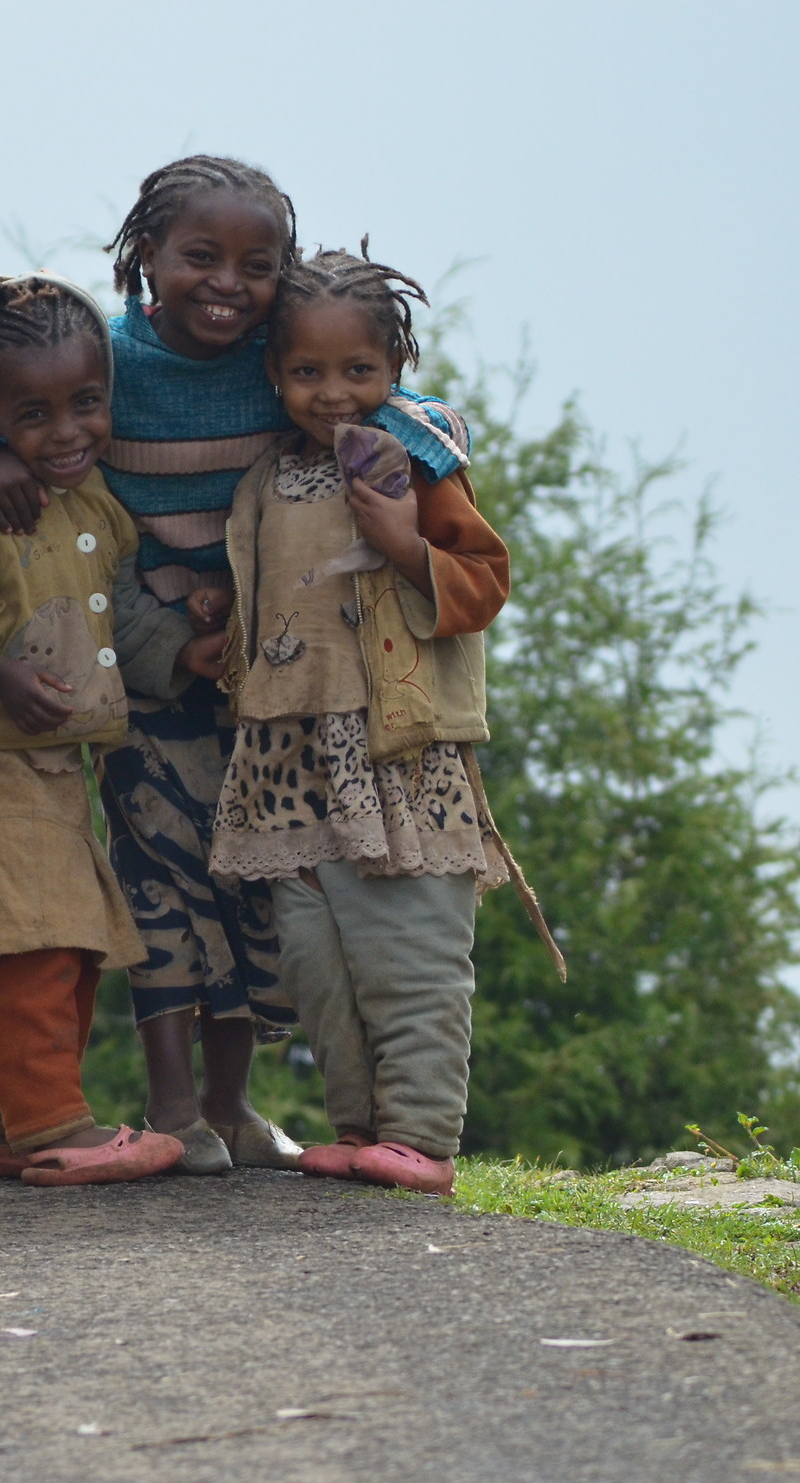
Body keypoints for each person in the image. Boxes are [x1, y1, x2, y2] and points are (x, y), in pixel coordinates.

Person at [0, 156, 471, 1174]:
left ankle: (235, 1106)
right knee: (158, 886)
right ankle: (173, 1110)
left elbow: (395, 398)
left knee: (262, 894)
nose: (227, 283)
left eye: (259, 263)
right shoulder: (112, 365)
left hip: (271, 684)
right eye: (199, 256)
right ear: (143, 257)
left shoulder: (278, 357)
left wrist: (430, 443)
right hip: (150, 670)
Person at [208, 248, 512, 1197]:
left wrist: (403, 543)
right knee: (319, 957)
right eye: (307, 371)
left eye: (358, 371)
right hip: (287, 755)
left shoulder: (416, 463)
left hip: (397, 754)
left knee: (409, 944)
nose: (333, 393)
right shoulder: (268, 475)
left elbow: (487, 583)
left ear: (394, 368)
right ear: (274, 372)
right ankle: (357, 1126)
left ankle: (421, 1134)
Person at [0, 272, 182, 1188]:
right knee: (24, 943)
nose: (67, 432)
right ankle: (58, 1125)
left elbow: (122, 619)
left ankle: (8, 1125)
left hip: (54, 772)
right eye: (34, 413)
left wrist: (188, 651)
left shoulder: (94, 508)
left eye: (86, 404)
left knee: (68, 942)